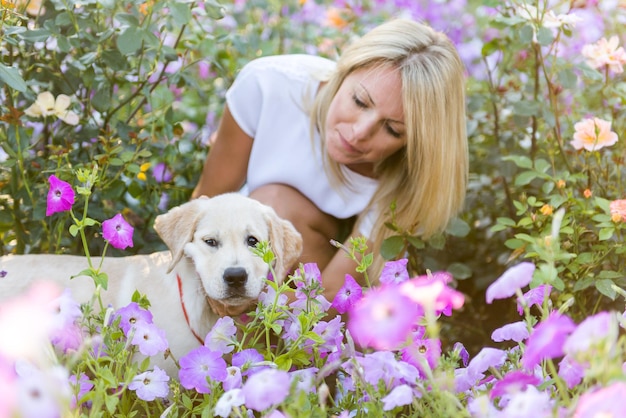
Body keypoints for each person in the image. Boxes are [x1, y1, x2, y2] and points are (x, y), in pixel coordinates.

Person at [192, 18, 468, 314]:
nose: (360, 132)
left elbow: (334, 295)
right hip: (239, 255)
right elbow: (204, 209)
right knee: (271, 204)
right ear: (344, 70)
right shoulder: (269, 86)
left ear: (414, 141)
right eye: (360, 101)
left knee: (276, 206)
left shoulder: (412, 177)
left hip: (321, 300)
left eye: (392, 129)